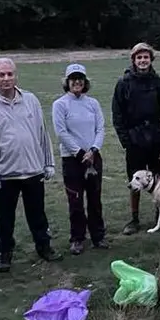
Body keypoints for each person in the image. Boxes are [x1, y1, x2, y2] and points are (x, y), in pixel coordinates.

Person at [0, 57, 62, 272]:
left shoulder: (31, 100)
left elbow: (42, 133)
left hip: (33, 170)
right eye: (1, 75)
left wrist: (48, 163)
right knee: (5, 219)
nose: (6, 78)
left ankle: (44, 246)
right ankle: (4, 254)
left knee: (38, 214)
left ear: (16, 75)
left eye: (9, 74)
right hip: (5, 174)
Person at [111, 43, 160, 235]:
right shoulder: (123, 84)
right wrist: (126, 141)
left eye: (146, 57)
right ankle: (134, 218)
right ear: (133, 60)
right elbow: (117, 115)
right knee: (135, 180)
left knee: (158, 178)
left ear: (151, 59)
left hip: (156, 139)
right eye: (139, 57)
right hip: (134, 140)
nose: (142, 61)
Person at [52, 63, 108, 255]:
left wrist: (93, 150)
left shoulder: (93, 103)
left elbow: (100, 129)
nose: (77, 82)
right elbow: (61, 132)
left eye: (80, 79)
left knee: (95, 199)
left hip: (93, 157)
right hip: (72, 159)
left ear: (85, 82)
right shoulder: (60, 104)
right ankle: (77, 238)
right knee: (75, 201)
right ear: (67, 82)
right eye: (73, 79)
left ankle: (98, 236)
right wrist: (79, 153)